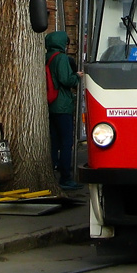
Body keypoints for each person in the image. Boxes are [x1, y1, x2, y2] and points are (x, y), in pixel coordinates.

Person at [46, 31, 80, 191]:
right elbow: (66, 79)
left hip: (51, 104)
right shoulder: (61, 58)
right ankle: (65, 177)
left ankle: (52, 170)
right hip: (62, 104)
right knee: (66, 142)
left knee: (54, 141)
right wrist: (77, 77)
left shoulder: (47, 57)